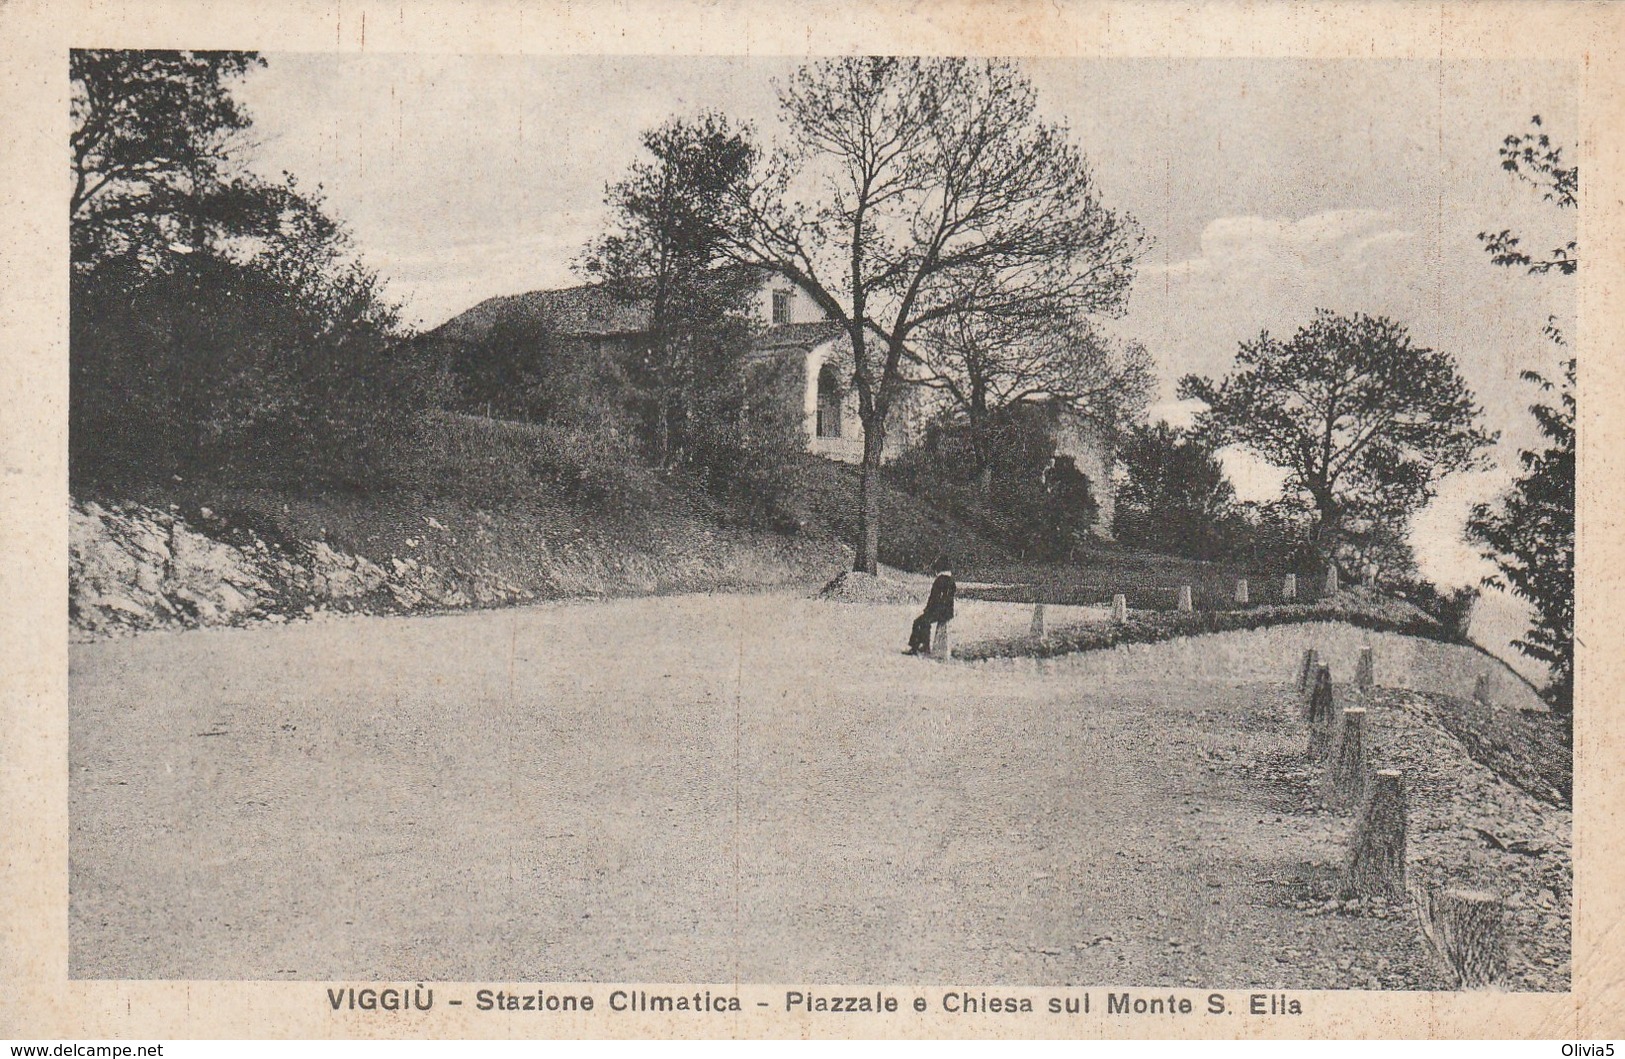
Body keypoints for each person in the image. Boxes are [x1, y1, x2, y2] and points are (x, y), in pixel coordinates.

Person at [907, 558, 956, 655]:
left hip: (938, 612)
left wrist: (927, 610)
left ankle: (919, 647)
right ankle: (923, 646)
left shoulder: (939, 580)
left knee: (919, 622)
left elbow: (934, 598)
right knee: (924, 621)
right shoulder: (951, 581)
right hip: (947, 613)